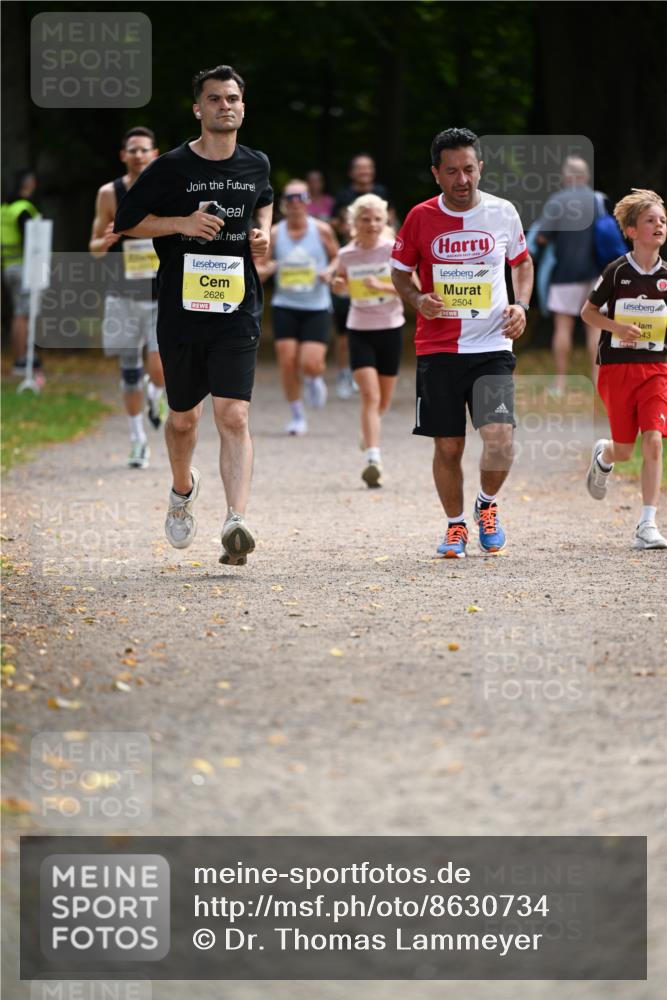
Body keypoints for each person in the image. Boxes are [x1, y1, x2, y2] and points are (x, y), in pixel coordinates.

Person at [114, 64, 273, 566]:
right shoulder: (170, 167)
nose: (225, 105)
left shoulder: (256, 164)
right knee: (184, 420)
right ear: (198, 108)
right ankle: (182, 491)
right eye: (215, 98)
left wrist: (262, 234)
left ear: (243, 107)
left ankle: (236, 521)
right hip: (181, 310)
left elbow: (263, 202)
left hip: (236, 308)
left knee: (235, 414)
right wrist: (181, 222)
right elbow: (127, 223)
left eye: (233, 98)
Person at [391, 127, 533, 558]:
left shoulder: (503, 212)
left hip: (491, 346)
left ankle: (486, 506)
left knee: (500, 438)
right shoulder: (420, 217)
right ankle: (455, 527)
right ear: (436, 173)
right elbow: (399, 271)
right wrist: (418, 299)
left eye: (469, 169)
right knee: (448, 445)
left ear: (480, 168)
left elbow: (522, 264)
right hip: (438, 347)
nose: (462, 179)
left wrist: (521, 305)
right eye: (451, 171)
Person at [582, 188, 667, 550]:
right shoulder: (616, 271)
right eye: (650, 220)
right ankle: (604, 455)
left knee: (653, 440)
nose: (659, 225)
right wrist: (617, 328)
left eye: (663, 220)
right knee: (624, 449)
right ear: (632, 231)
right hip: (617, 368)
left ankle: (647, 524)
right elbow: (587, 312)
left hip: (656, 368)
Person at [89, 127, 166, 469]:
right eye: (132, 150)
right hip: (122, 295)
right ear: (124, 155)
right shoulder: (109, 193)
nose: (138, 155)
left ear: (154, 153)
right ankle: (138, 440)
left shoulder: (166, 188)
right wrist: (103, 243)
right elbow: (92, 248)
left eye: (144, 150)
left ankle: (157, 396)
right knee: (129, 374)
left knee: (159, 369)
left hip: (159, 294)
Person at [332, 193, 404, 487]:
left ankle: (368, 433)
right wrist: (338, 285)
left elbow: (415, 288)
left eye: (377, 219)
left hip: (390, 328)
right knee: (370, 396)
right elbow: (340, 284)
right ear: (354, 222)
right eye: (366, 219)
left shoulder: (394, 250)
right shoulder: (347, 254)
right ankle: (373, 458)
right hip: (359, 329)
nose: (372, 224)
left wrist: (383, 285)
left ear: (385, 220)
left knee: (383, 401)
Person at [258, 179, 338, 436]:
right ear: (283, 205)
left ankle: (315, 379)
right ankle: (296, 414)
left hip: (316, 305)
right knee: (287, 360)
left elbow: (339, 256)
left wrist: (329, 270)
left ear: (308, 202)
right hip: (285, 304)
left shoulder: (322, 230)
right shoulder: (275, 233)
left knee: (311, 363)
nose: (295, 203)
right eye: (290, 199)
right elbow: (260, 267)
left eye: (300, 198)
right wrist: (268, 269)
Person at [537, 156, 601, 393]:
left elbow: (542, 237)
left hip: (564, 273)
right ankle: (597, 383)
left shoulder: (557, 201)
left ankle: (560, 383)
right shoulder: (598, 201)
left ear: (566, 176)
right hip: (595, 275)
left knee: (563, 329)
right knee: (595, 329)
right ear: (585, 177)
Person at [1, 169, 44, 381]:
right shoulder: (23, 209)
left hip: (8, 265)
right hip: (24, 266)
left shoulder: (5, 209)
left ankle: (21, 357)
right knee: (23, 313)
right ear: (29, 184)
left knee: (19, 312)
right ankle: (22, 359)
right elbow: (33, 241)